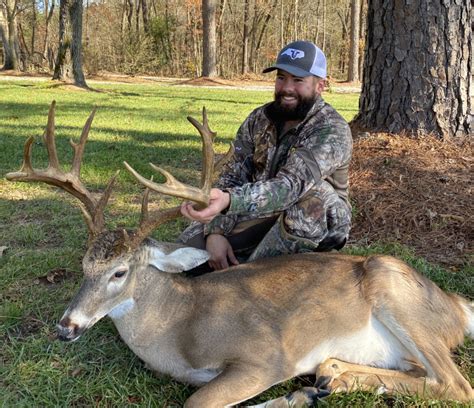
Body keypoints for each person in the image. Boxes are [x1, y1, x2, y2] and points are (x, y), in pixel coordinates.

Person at [178, 40, 352, 273]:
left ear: (320, 85)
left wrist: (229, 201)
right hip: (261, 208)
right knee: (186, 254)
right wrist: (216, 231)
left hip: (314, 218)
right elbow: (231, 177)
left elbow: (289, 187)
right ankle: (240, 262)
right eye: (281, 78)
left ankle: (252, 276)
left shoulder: (331, 129)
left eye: (298, 80)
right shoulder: (258, 119)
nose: (287, 88)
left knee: (313, 196)